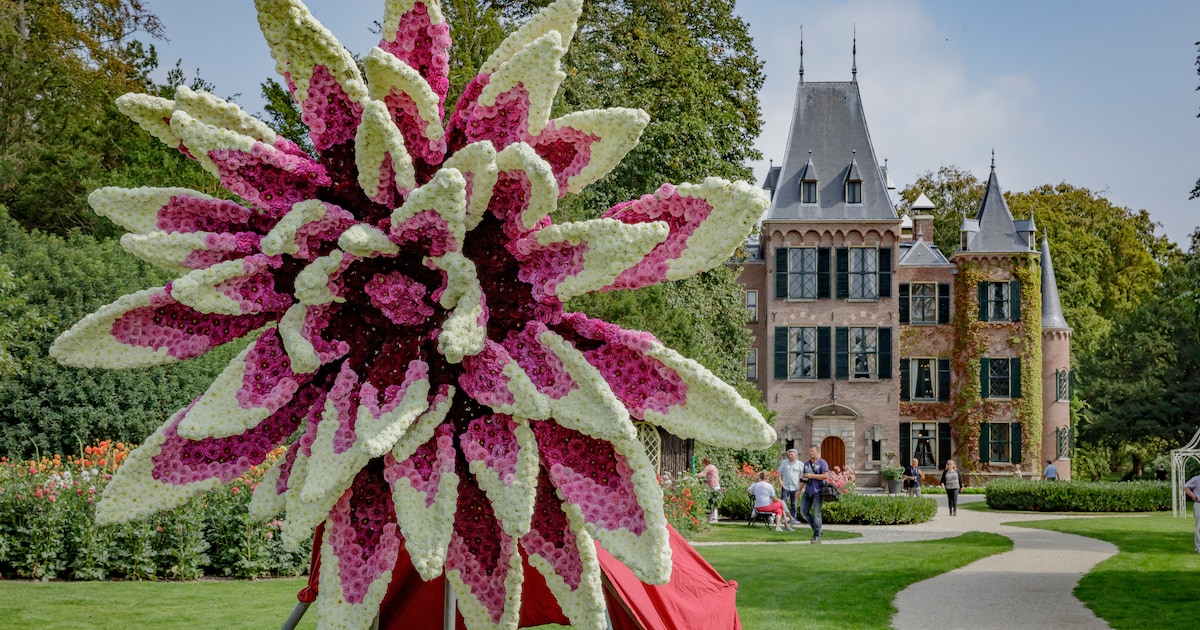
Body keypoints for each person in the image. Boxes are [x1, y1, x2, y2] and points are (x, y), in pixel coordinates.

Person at [800, 445, 830, 543]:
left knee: (817, 514)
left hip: (818, 491)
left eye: (813, 451)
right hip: (807, 491)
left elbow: (826, 476)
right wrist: (798, 490)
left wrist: (811, 475)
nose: (811, 453)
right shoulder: (806, 464)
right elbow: (805, 478)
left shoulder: (822, 463)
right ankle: (818, 530)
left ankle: (817, 536)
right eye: (810, 451)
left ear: (817, 452)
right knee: (803, 512)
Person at [778, 448, 805, 525]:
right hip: (785, 486)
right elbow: (779, 472)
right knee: (783, 502)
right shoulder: (784, 462)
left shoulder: (800, 464)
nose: (790, 456)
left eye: (792, 455)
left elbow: (803, 476)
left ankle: (793, 519)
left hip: (795, 487)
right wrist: (780, 480)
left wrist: (801, 486)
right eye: (789, 455)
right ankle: (783, 518)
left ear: (796, 455)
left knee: (794, 504)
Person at [697, 458, 722, 523]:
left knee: (713, 502)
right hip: (716, 485)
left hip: (713, 486)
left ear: (705, 462)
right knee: (714, 502)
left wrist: (692, 475)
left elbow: (702, 474)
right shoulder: (713, 467)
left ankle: (714, 518)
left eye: (702, 463)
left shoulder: (708, 467)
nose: (702, 464)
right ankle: (713, 517)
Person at [1184, 473, 1200, 553]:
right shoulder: (1197, 479)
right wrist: (1193, 496)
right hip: (1199, 504)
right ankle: (1198, 547)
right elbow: (1185, 487)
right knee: (1199, 527)